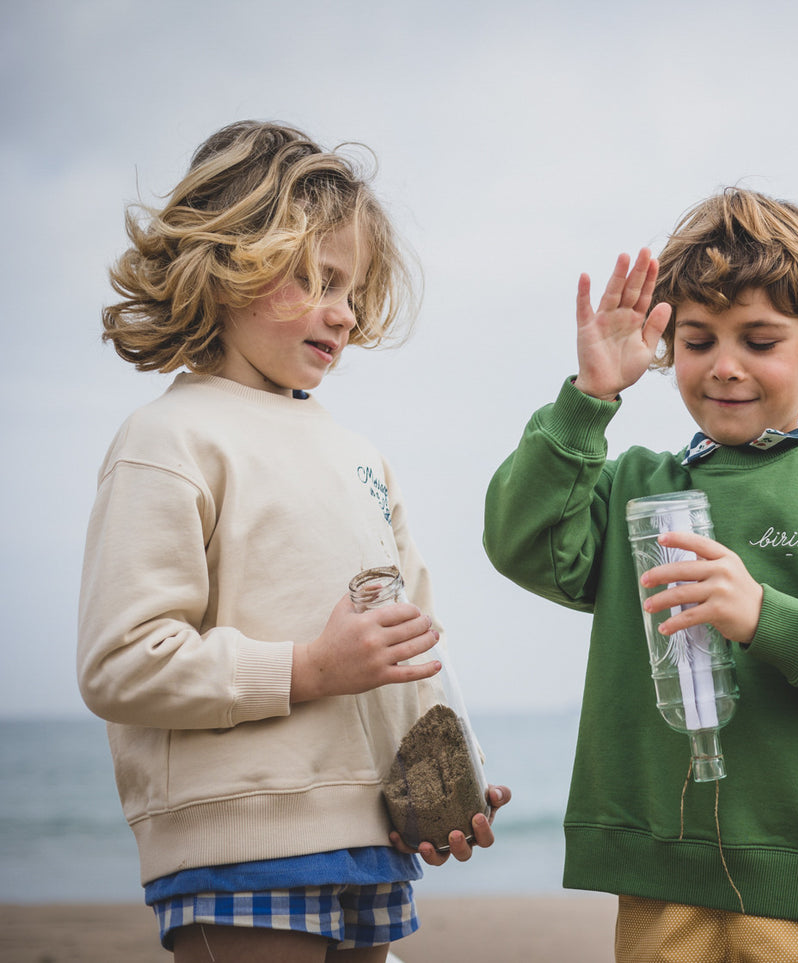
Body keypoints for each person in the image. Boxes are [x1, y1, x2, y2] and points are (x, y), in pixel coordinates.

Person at [484, 187, 798, 962]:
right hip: (659, 870)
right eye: (698, 340)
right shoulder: (634, 483)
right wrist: (589, 399)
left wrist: (765, 613)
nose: (725, 366)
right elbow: (522, 543)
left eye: (760, 341)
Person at [78, 120, 508, 963]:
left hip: (371, 838)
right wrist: (307, 669)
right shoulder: (167, 439)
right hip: (237, 845)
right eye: (314, 279)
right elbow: (121, 660)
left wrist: (456, 769)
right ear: (226, 264)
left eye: (351, 289)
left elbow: (413, 641)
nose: (343, 314)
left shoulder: (359, 453)